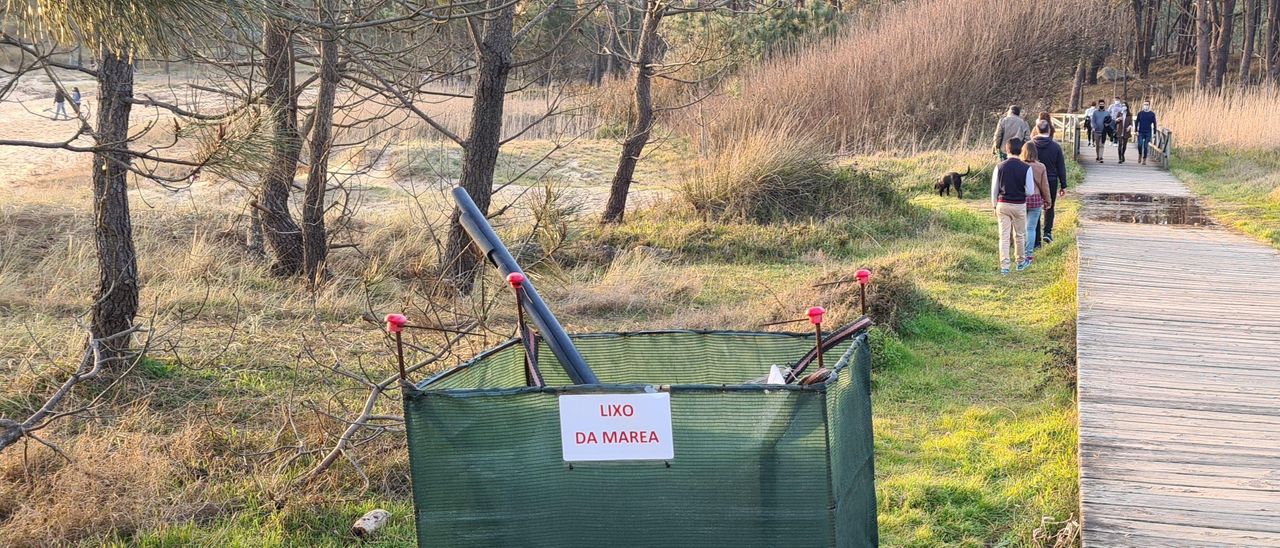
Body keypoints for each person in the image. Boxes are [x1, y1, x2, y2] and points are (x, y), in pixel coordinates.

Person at [991, 138, 1034, 274]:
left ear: (1006, 149)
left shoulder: (999, 166)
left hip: (1003, 204)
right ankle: (1020, 262)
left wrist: (994, 205)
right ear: (1021, 150)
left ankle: (1005, 266)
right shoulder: (1026, 168)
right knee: (1019, 235)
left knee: (1003, 236)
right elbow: (1030, 191)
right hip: (1019, 205)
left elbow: (994, 189)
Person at [1031, 119, 1068, 244]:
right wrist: (1063, 185)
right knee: (1050, 206)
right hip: (1051, 179)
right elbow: (1061, 167)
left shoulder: (1030, 145)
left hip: (1033, 179)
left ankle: (1036, 238)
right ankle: (1047, 232)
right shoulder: (1055, 147)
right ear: (1049, 130)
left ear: (1036, 129)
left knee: (1034, 207)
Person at [1020, 140, 1053, 265]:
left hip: (1021, 199)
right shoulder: (1041, 166)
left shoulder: (1019, 164)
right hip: (1035, 200)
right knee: (1031, 228)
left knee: (1021, 228)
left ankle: (1020, 252)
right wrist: (1048, 201)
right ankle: (1029, 254)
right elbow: (1045, 186)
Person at [1136, 100, 1158, 165]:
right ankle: (1140, 154)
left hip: (1148, 132)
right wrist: (1135, 130)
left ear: (1149, 105)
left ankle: (1144, 159)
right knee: (1140, 144)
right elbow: (1137, 122)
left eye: (1147, 104)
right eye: (1145, 104)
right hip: (1141, 131)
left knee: (1145, 146)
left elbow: (1154, 123)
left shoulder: (1152, 114)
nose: (1146, 106)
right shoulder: (1140, 113)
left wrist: (1154, 133)